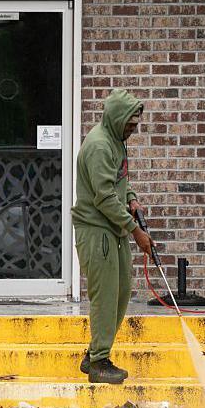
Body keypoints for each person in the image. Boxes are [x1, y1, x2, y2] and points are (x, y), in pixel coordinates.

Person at [71, 89, 154, 384]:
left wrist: (131, 198)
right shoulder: (99, 146)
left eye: (135, 126)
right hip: (96, 230)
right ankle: (99, 364)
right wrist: (136, 231)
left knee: (120, 293)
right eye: (130, 125)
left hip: (113, 228)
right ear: (117, 119)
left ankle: (94, 353)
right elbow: (104, 197)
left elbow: (119, 181)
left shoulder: (116, 141)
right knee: (105, 297)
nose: (133, 131)